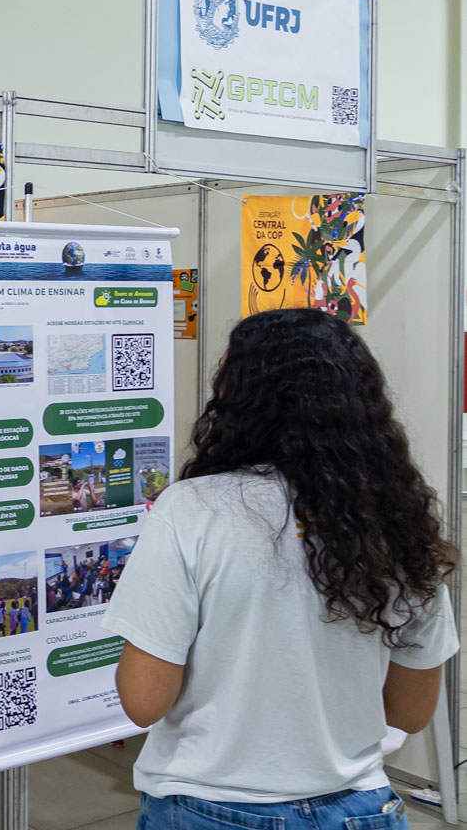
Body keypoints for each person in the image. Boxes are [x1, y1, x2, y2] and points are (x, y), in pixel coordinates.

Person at [104, 309, 457, 829]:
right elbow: (409, 713)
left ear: (237, 398)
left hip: (208, 804)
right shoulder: (398, 520)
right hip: (359, 807)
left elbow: (143, 701)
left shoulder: (193, 509)